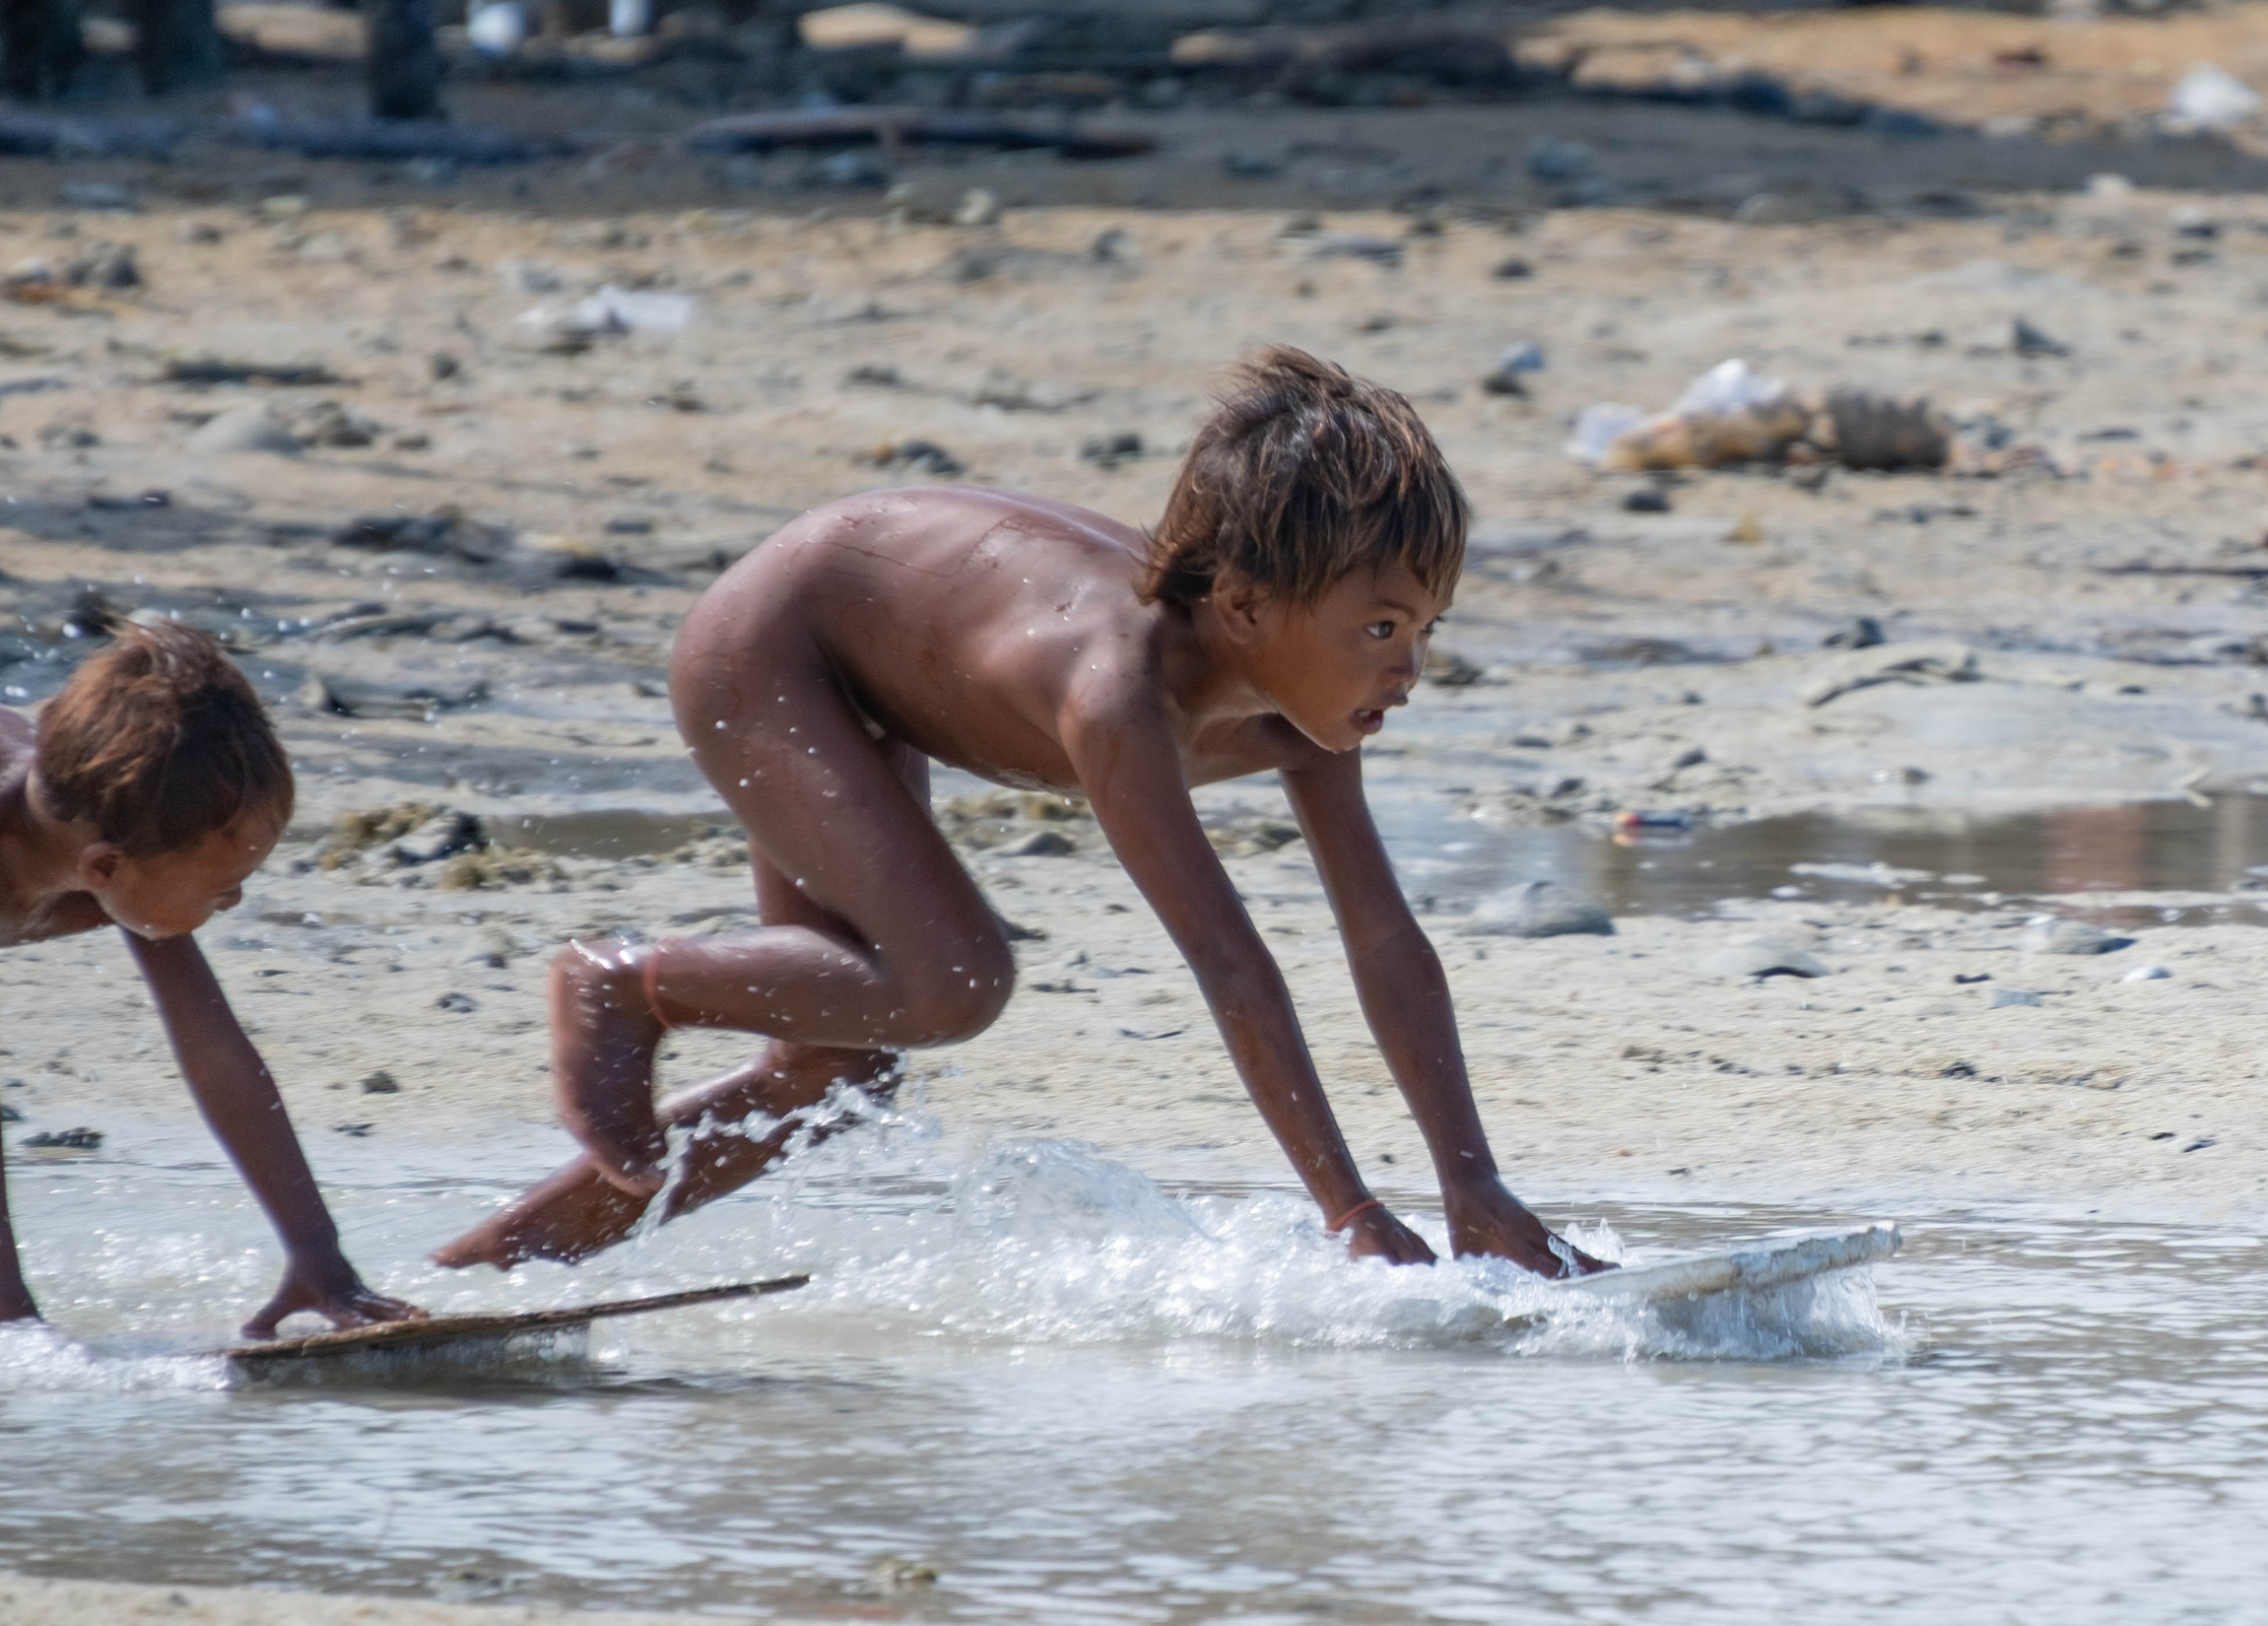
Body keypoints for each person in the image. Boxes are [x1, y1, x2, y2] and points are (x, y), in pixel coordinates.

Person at [434, 347, 1606, 1279]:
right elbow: (1233, 964)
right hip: (775, 652)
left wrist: (1472, 1187)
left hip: (874, 658)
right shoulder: (1118, 696)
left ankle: (485, 1273)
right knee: (954, 981)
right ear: (1244, 605)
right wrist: (1347, 1207)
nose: (1407, 668)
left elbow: (1384, 940)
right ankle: (626, 979)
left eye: (1425, 630)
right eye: (1382, 629)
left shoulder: (1305, 708)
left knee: (834, 1071)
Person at [0, 620, 422, 1339]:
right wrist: (16, 1327)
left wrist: (318, 1253)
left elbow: (214, 1047)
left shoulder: (111, 826)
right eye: (225, 885)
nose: (234, 903)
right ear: (103, 868)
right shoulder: (105, 847)